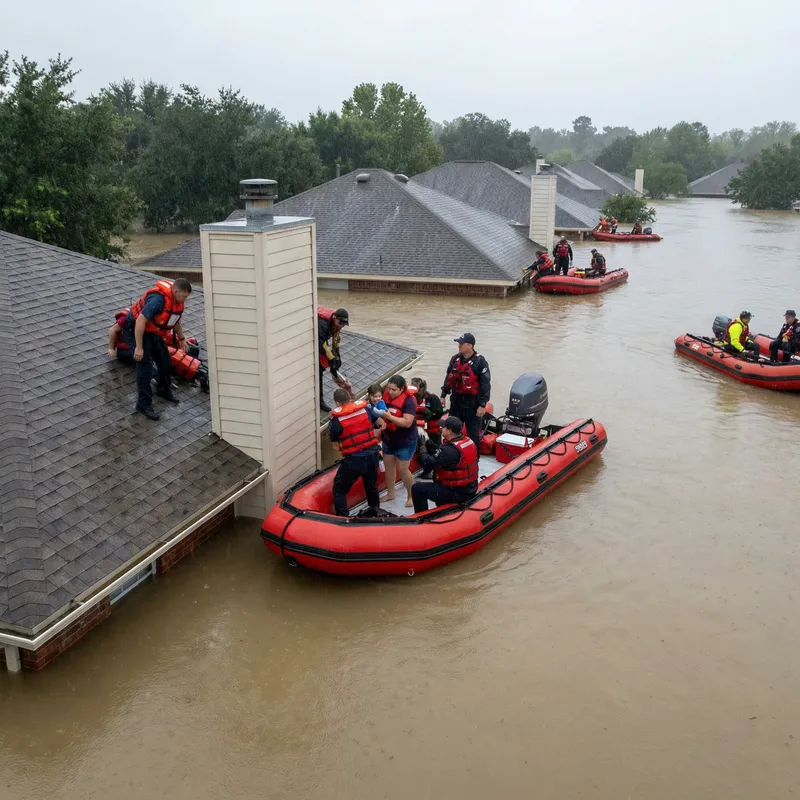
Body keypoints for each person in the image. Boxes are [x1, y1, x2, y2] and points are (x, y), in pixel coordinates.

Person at [123, 278, 192, 421]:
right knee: (145, 367)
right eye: (184, 296)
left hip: (152, 331)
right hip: (136, 330)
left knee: (165, 360)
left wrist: (182, 338)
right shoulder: (158, 301)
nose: (185, 299)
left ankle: (163, 389)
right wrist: (139, 347)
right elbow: (140, 321)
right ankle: (143, 405)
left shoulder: (177, 302)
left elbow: (176, 320)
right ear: (176, 291)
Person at [329, 388, 382, 517]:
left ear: (337, 403)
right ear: (349, 398)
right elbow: (380, 423)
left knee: (339, 489)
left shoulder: (336, 421)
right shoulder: (366, 409)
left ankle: (343, 517)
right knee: (371, 486)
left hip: (354, 460)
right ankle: (375, 510)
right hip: (372, 456)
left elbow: (336, 446)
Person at [411, 417, 479, 513]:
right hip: (469, 488)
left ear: (449, 431)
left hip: (457, 493)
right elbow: (446, 456)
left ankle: (420, 518)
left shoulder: (448, 450)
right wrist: (431, 446)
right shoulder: (468, 441)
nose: (440, 428)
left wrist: (422, 446)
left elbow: (427, 463)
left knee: (417, 488)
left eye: (443, 427)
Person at [441, 333, 491, 456]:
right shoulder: (455, 359)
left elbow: (485, 384)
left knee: (473, 434)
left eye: (461, 344)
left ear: (470, 345)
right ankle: (450, 455)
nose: (459, 346)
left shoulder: (480, 362)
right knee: (451, 431)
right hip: (456, 402)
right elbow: (449, 377)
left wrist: (482, 405)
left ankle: (474, 459)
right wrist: (443, 395)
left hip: (472, 405)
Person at [374, 374, 418, 508]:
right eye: (389, 389)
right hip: (389, 438)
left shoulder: (409, 401)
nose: (390, 392)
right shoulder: (385, 396)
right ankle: (390, 493)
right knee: (389, 467)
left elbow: (407, 422)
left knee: (403, 470)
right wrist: (380, 422)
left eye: (394, 390)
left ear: (401, 389)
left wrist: (388, 416)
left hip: (405, 440)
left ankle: (411, 496)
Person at [318, 307, 349, 413]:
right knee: (320, 368)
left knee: (332, 362)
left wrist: (337, 359)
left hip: (321, 340)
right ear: (335, 318)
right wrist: (331, 360)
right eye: (340, 323)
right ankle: (320, 401)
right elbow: (321, 345)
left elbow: (336, 342)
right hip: (316, 340)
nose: (341, 326)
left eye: (343, 325)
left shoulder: (337, 324)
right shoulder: (322, 324)